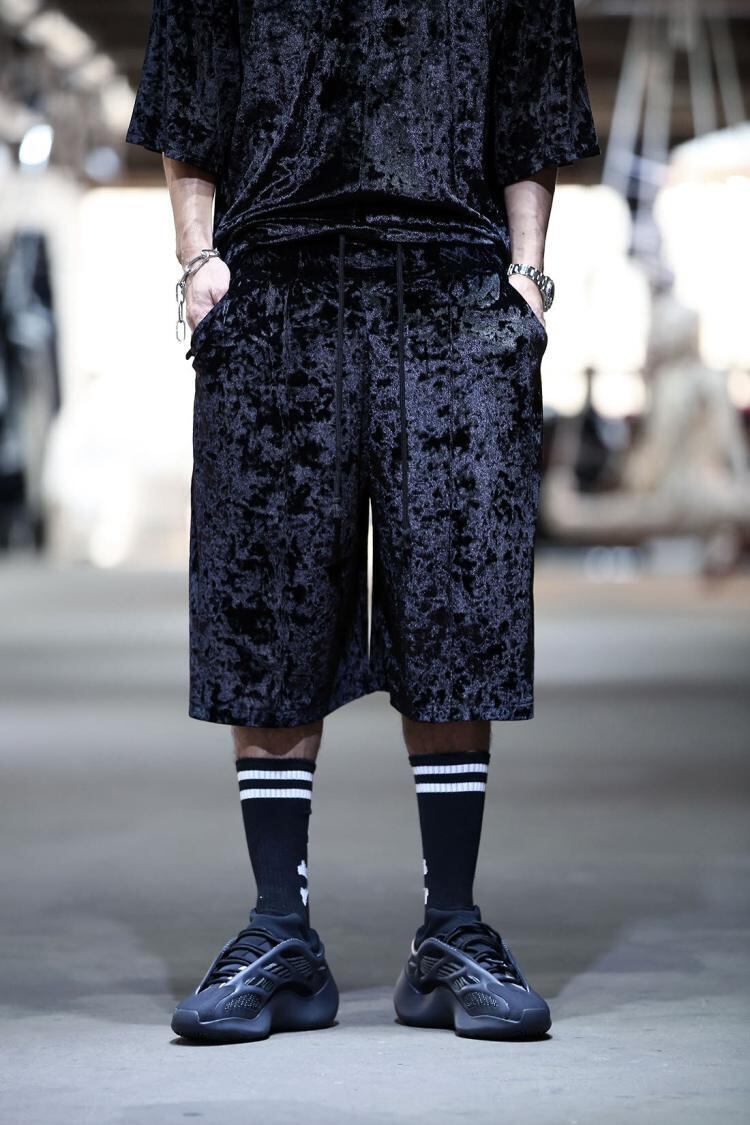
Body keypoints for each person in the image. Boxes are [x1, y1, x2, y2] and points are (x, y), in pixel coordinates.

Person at [126, 0, 599, 1043]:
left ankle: (451, 933)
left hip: (455, 279)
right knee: (268, 610)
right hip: (275, 276)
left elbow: (533, 98)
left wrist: (525, 280)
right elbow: (188, 91)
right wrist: (199, 263)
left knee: (458, 603)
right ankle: (280, 933)